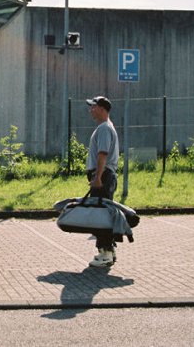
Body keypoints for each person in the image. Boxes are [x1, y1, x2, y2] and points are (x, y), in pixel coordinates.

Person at [85, 96, 120, 267]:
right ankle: (109, 251)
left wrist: (98, 177)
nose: (91, 109)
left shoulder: (104, 129)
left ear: (102, 109)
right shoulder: (105, 127)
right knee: (104, 213)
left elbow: (103, 154)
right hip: (106, 175)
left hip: (104, 176)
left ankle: (105, 253)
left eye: (93, 106)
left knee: (100, 215)